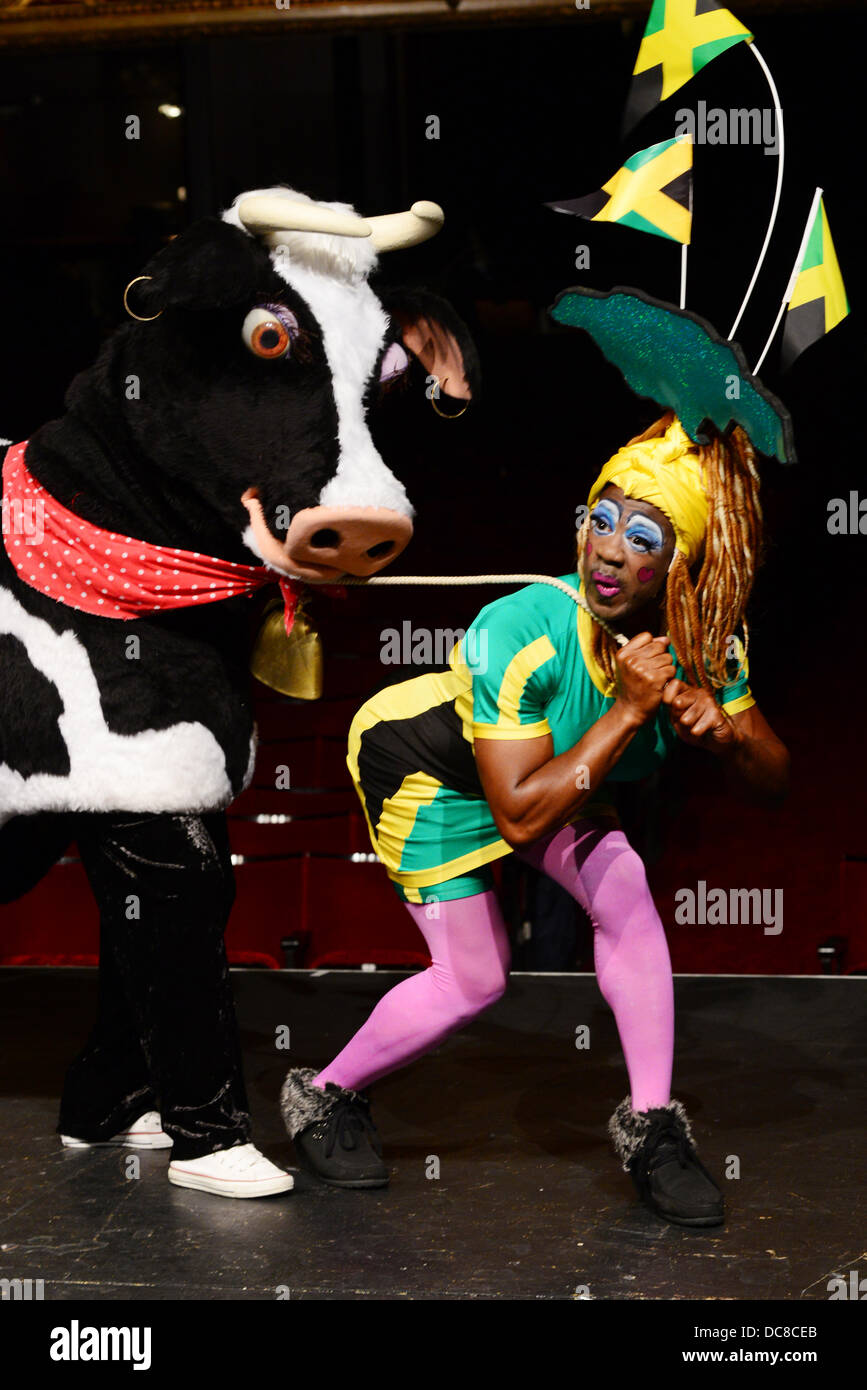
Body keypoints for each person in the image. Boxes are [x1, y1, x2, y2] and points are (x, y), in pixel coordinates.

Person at [281, 412, 789, 1227]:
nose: (611, 549)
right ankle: (325, 1094)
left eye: (643, 536)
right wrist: (627, 711)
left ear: (681, 563)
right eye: (602, 520)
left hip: (558, 770)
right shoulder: (520, 627)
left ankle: (654, 1128)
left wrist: (727, 737)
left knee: (623, 891)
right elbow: (519, 817)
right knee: (474, 981)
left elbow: (774, 781)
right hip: (425, 768)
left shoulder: (704, 636)